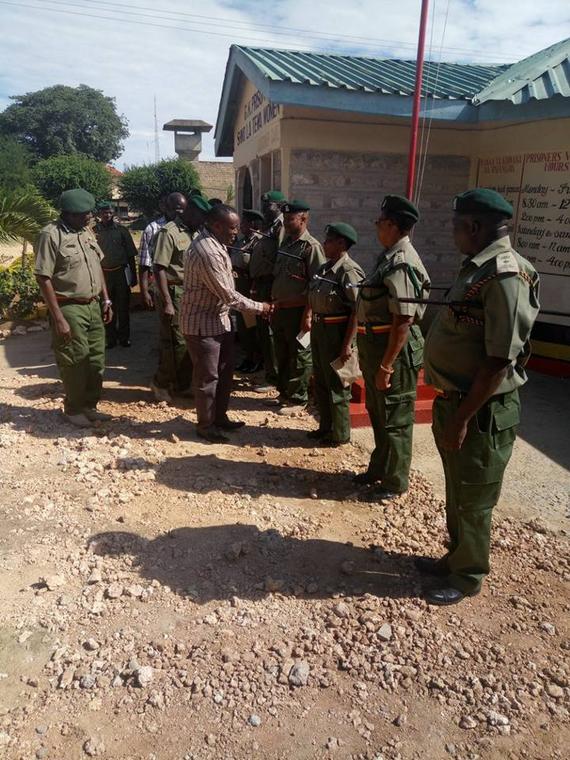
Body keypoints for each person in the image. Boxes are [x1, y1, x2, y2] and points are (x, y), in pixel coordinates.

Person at [421, 189, 540, 606]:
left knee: (473, 495)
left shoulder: (505, 275)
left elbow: (496, 361)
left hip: (481, 410)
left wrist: (461, 418)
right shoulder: (479, 268)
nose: (453, 233)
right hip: (457, 401)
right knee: (457, 487)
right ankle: (456, 557)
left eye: (456, 226)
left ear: (473, 227)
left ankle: (467, 575)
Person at [354, 195, 431, 500]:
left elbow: (403, 319)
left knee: (396, 418)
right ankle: (380, 468)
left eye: (380, 222)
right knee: (378, 410)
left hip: (393, 350)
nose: (376, 227)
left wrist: (387, 365)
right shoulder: (388, 256)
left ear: (393, 226)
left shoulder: (402, 261)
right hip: (377, 345)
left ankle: (395, 481)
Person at [181, 204, 273, 443]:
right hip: (202, 324)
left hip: (219, 321)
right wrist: (261, 307)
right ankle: (206, 426)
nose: (237, 231)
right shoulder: (207, 251)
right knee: (207, 378)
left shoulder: (216, 243)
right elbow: (228, 295)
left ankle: (219, 417)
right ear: (216, 225)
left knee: (224, 372)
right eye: (232, 227)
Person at [34, 188, 113, 428]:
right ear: (67, 214)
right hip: (69, 307)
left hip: (93, 305)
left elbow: (98, 265)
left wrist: (106, 299)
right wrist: (58, 318)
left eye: (89, 213)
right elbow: (43, 277)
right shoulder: (51, 235)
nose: (89, 217)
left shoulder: (86, 232)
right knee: (75, 360)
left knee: (96, 359)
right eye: (83, 214)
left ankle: (90, 405)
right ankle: (74, 408)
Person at [302, 222, 364, 446]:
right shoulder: (324, 268)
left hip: (336, 332)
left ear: (341, 243)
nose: (324, 244)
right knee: (320, 381)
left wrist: (348, 344)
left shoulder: (348, 271)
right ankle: (325, 427)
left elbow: (357, 309)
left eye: (328, 241)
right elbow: (312, 296)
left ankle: (340, 433)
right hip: (320, 329)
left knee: (338, 384)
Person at [151, 193, 208, 402]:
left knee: (190, 342)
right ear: (190, 211)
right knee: (174, 342)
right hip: (174, 292)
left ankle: (183, 384)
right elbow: (158, 269)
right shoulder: (169, 233)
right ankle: (160, 382)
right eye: (201, 216)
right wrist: (167, 301)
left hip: (192, 293)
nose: (203, 221)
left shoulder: (195, 232)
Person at [271, 199, 326, 413]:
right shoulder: (286, 243)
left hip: (298, 310)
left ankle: (297, 398)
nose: (285, 222)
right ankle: (284, 392)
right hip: (280, 309)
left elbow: (316, 285)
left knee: (299, 354)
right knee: (282, 352)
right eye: (284, 218)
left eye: (290, 218)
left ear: (303, 219)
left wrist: (308, 313)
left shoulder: (311, 247)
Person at [249, 190, 285, 390]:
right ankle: (269, 372)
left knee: (270, 332)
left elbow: (279, 260)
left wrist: (273, 289)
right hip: (262, 283)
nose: (263, 209)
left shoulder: (281, 227)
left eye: (268, 205)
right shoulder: (270, 226)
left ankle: (275, 377)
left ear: (279, 206)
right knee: (263, 331)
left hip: (271, 285)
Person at [94, 200, 138, 348]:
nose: (107, 214)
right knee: (106, 306)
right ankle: (110, 338)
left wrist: (133, 276)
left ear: (113, 213)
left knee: (123, 307)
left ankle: (124, 337)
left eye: (109, 212)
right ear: (99, 214)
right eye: (104, 212)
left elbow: (131, 254)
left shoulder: (122, 231)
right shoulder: (94, 232)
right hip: (104, 275)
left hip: (121, 273)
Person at [231, 209, 264, 373]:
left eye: (243, 222)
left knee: (251, 326)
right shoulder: (241, 241)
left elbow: (257, 267)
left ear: (252, 224)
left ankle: (256, 358)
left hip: (250, 287)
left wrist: (254, 288)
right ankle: (248, 356)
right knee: (242, 327)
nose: (240, 226)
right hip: (238, 286)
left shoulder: (258, 242)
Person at [138, 194, 171, 309]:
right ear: (163, 207)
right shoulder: (152, 229)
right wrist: (144, 291)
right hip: (160, 285)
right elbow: (144, 264)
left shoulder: (187, 229)